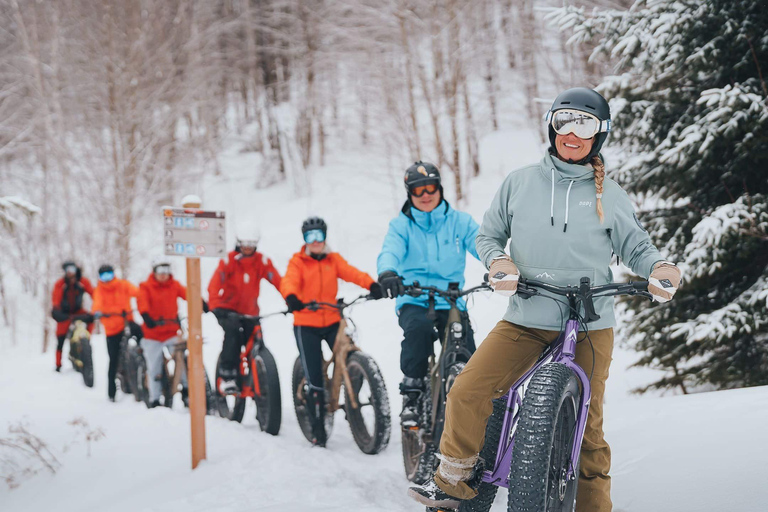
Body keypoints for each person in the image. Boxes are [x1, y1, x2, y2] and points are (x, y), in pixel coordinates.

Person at [408, 88, 682, 511]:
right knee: (467, 390)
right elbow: (489, 235)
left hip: (591, 322)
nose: (572, 134)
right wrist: (499, 263)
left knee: (589, 430)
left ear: (600, 135)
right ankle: (453, 482)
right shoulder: (519, 182)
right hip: (526, 315)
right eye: (564, 122)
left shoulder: (610, 194)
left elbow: (637, 247)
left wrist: (658, 269)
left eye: (585, 125)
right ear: (551, 126)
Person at [376, 161, 481, 426]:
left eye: (430, 187)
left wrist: (500, 265)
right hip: (414, 297)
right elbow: (390, 250)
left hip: (451, 298)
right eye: (418, 190)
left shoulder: (460, 221)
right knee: (418, 331)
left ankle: (474, 405)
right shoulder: (401, 226)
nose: (425, 195)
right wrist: (388, 272)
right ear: (409, 194)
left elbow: (482, 244)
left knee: (467, 348)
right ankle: (412, 394)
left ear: (439, 188)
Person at [281, 216, 384, 446]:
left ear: (325, 236)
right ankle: (318, 430)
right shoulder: (298, 262)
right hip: (306, 322)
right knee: (315, 377)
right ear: (305, 240)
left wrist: (371, 285)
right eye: (310, 237)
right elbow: (288, 281)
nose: (315, 241)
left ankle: (350, 393)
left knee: (347, 354)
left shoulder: (332, 259)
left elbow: (352, 273)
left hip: (331, 320)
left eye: (319, 235)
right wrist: (292, 297)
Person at [208, 225, 282, 394]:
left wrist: (292, 298)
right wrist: (215, 305)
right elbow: (214, 285)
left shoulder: (262, 262)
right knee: (233, 334)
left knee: (256, 339)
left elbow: (279, 282)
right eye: (244, 244)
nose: (247, 247)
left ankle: (259, 381)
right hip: (227, 310)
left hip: (250, 312)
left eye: (251, 244)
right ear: (238, 243)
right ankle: (227, 375)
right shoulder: (228, 261)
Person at [137, 258, 188, 408]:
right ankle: (155, 399)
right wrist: (146, 316)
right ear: (154, 271)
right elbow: (142, 302)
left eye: (167, 270)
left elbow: (188, 294)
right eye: (160, 270)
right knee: (154, 368)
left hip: (172, 332)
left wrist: (201, 302)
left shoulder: (174, 285)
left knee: (181, 360)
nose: (164, 274)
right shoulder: (146, 287)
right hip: (152, 335)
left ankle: (186, 389)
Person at [92, 264, 141, 402]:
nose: (107, 278)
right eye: (103, 276)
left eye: (109, 274)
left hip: (127, 322)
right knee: (113, 360)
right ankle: (111, 393)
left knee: (144, 337)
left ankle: (143, 369)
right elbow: (97, 304)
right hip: (112, 329)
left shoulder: (123, 285)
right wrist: (98, 312)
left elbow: (138, 293)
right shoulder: (99, 290)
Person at [51, 261, 94, 372]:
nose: (70, 272)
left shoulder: (83, 282)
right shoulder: (60, 284)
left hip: (78, 311)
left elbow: (94, 294)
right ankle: (58, 364)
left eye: (72, 269)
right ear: (65, 271)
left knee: (91, 319)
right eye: (68, 270)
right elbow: (55, 300)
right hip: (64, 313)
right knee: (60, 338)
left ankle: (86, 341)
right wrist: (56, 311)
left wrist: (97, 308)